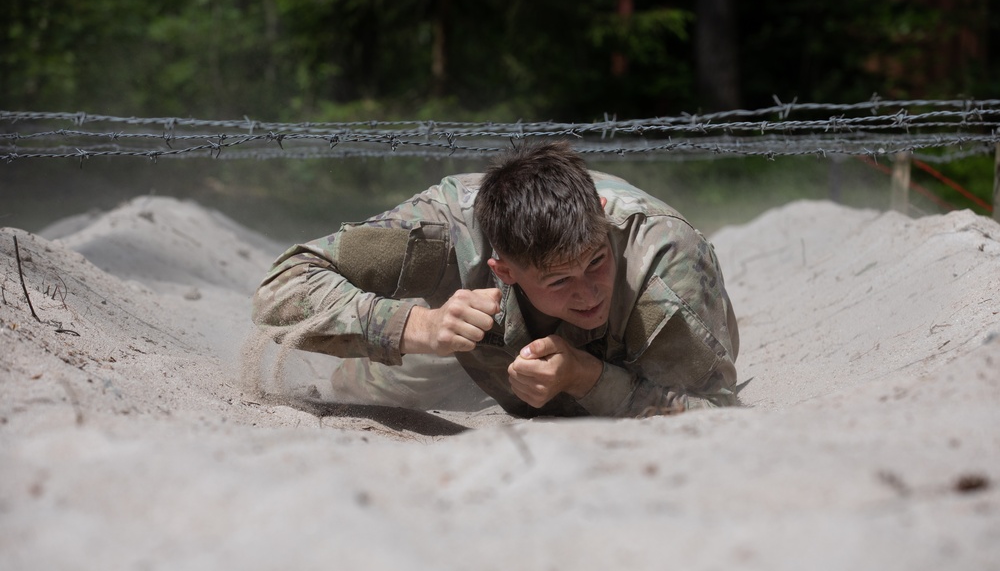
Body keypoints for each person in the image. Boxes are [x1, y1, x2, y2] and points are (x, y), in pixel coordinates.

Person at [252, 141, 739, 417]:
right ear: (501, 270)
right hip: (471, 360)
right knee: (358, 390)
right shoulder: (446, 227)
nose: (589, 292)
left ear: (604, 225)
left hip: (629, 363)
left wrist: (586, 378)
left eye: (595, 262)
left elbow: (713, 416)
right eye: (558, 280)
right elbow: (282, 287)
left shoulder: (665, 258)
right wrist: (414, 326)